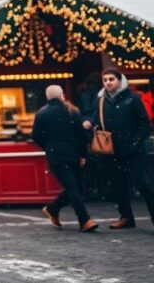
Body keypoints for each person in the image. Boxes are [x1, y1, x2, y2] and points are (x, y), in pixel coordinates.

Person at [83, 68, 154, 229]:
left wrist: (135, 144)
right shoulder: (100, 100)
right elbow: (96, 119)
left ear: (120, 80)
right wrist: (89, 122)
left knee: (145, 185)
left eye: (111, 79)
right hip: (112, 150)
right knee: (119, 185)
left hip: (134, 151)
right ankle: (126, 217)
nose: (108, 82)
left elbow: (144, 124)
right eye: (105, 80)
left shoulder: (133, 98)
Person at [32, 85, 98, 232]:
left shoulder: (41, 114)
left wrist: (47, 145)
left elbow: (35, 136)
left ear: (47, 97)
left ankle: (53, 209)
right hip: (73, 154)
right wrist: (82, 155)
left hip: (55, 155)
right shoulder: (72, 111)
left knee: (73, 187)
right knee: (76, 187)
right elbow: (81, 137)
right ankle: (84, 219)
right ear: (62, 95)